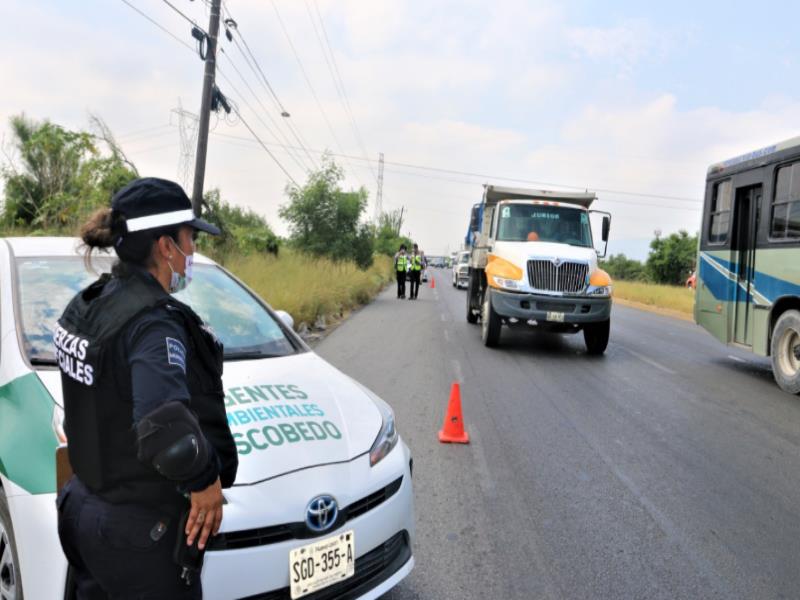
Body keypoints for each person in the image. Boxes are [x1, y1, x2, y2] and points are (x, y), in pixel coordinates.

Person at [55, 177, 238, 599]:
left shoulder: (90, 303)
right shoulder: (153, 323)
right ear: (165, 246)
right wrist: (205, 483)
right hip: (137, 532)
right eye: (190, 238)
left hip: (81, 508)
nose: (193, 251)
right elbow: (164, 428)